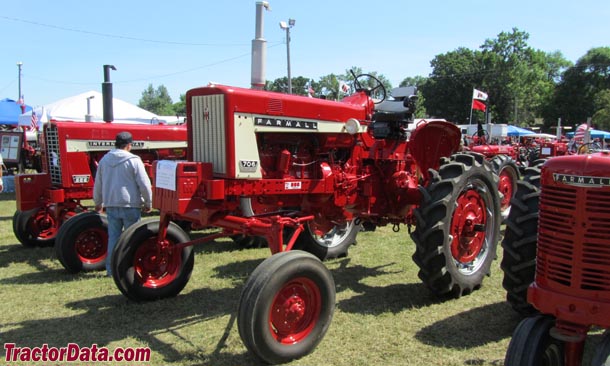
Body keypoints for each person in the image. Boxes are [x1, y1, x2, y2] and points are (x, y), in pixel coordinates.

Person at [93, 131, 152, 277]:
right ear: (129, 145)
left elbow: (98, 184)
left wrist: (98, 202)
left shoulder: (104, 160)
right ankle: (129, 267)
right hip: (130, 204)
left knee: (113, 237)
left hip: (111, 203)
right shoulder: (134, 160)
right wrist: (148, 201)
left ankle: (111, 270)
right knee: (132, 238)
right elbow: (144, 184)